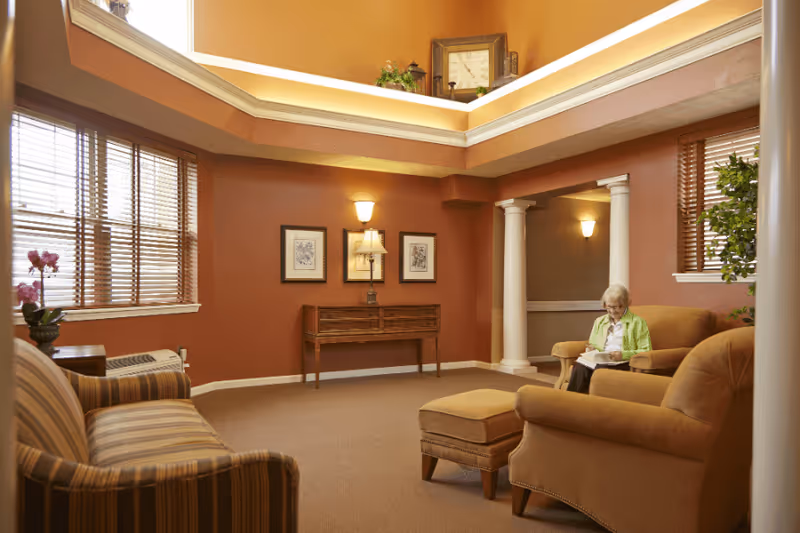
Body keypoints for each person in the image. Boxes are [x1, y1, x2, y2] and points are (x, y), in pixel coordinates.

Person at [566, 284, 652, 394]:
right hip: (602, 359)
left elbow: (646, 350)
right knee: (580, 367)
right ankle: (571, 401)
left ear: (625, 304)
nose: (612, 311)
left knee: (599, 370)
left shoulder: (638, 322)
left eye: (616, 307)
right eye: (608, 307)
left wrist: (623, 355)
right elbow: (593, 343)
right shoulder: (600, 321)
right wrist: (591, 349)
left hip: (623, 362)